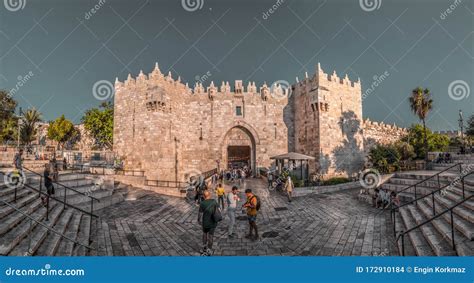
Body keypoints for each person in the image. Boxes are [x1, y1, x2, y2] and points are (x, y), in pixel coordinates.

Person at [197, 190, 219, 256]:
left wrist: (199, 220)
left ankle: (204, 247)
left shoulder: (202, 203)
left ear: (203, 196)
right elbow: (218, 210)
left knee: (204, 234)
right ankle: (209, 249)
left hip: (205, 222)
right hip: (213, 222)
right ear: (210, 195)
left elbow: (200, 214)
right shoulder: (214, 201)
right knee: (211, 236)